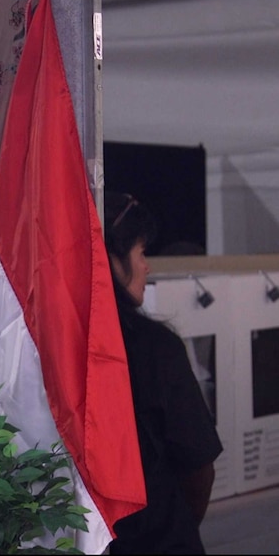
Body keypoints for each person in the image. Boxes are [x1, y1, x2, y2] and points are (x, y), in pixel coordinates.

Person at [104, 191, 222, 554]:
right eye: (141, 253)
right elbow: (198, 468)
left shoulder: (49, 342)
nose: (147, 266)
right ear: (112, 260)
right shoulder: (154, 348)